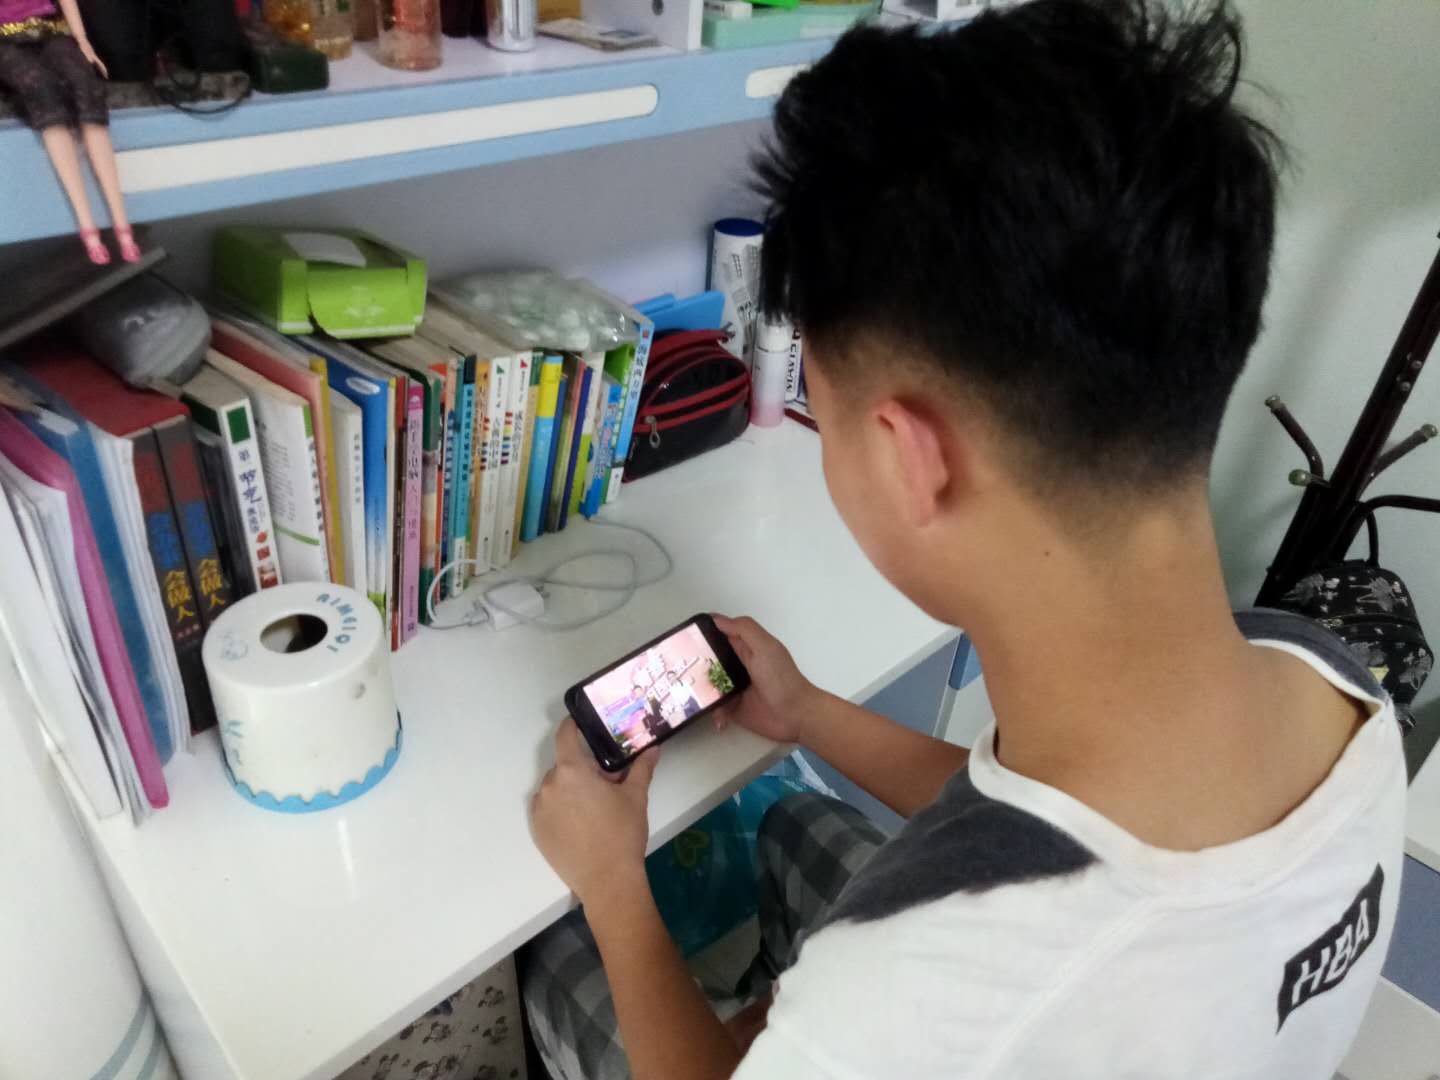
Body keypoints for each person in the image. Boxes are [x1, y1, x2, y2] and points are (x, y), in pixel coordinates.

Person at [524, 1, 1407, 1077]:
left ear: (912, 457)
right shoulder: (1327, 681)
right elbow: (1039, 821)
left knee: (558, 960)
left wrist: (612, 881)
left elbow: (949, 966)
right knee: (797, 826)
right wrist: (809, 714)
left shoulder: (926, 986)